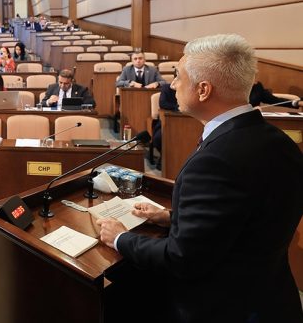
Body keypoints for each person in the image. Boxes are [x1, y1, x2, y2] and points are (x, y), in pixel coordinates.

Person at [96, 34, 303, 323]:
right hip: (272, 297)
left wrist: (120, 237)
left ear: (203, 90)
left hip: (217, 307)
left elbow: (181, 258)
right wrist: (171, 217)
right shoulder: (281, 142)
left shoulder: (214, 161)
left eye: (178, 77)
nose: (172, 85)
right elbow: (246, 217)